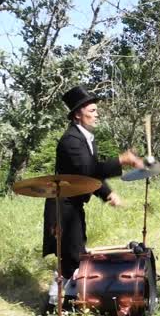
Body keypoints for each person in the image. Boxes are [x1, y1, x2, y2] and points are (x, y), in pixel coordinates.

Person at [42, 86, 144, 297]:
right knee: (70, 256)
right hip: (63, 207)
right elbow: (88, 171)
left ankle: (67, 298)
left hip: (74, 205)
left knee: (76, 250)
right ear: (78, 114)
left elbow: (91, 173)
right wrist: (121, 160)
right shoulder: (71, 140)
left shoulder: (87, 138)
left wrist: (106, 193)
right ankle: (57, 302)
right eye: (92, 111)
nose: (96, 115)